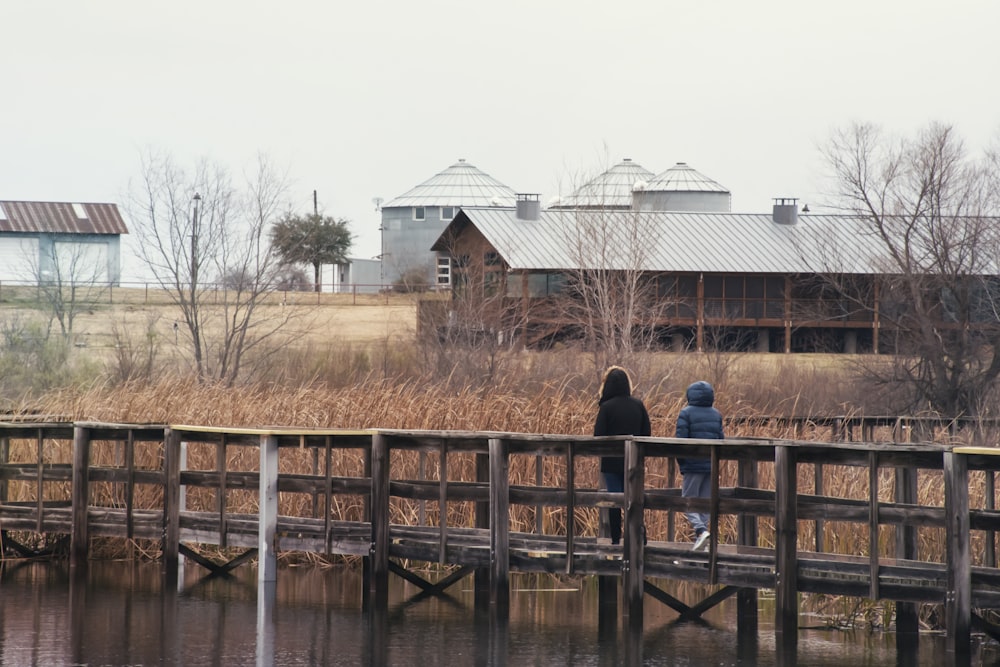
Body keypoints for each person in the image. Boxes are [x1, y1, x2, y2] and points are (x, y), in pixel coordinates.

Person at [593, 366, 651, 545]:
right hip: (633, 462)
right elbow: (647, 433)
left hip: (611, 464)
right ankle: (638, 537)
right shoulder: (638, 405)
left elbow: (598, 435)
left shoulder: (606, 407)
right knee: (634, 499)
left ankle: (616, 540)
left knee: (614, 500)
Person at [675, 380, 724, 551]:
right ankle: (704, 539)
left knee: (687, 500)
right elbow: (721, 440)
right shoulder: (716, 414)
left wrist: (683, 463)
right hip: (710, 465)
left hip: (692, 465)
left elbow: (680, 441)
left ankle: (701, 531)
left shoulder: (685, 413)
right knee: (704, 502)